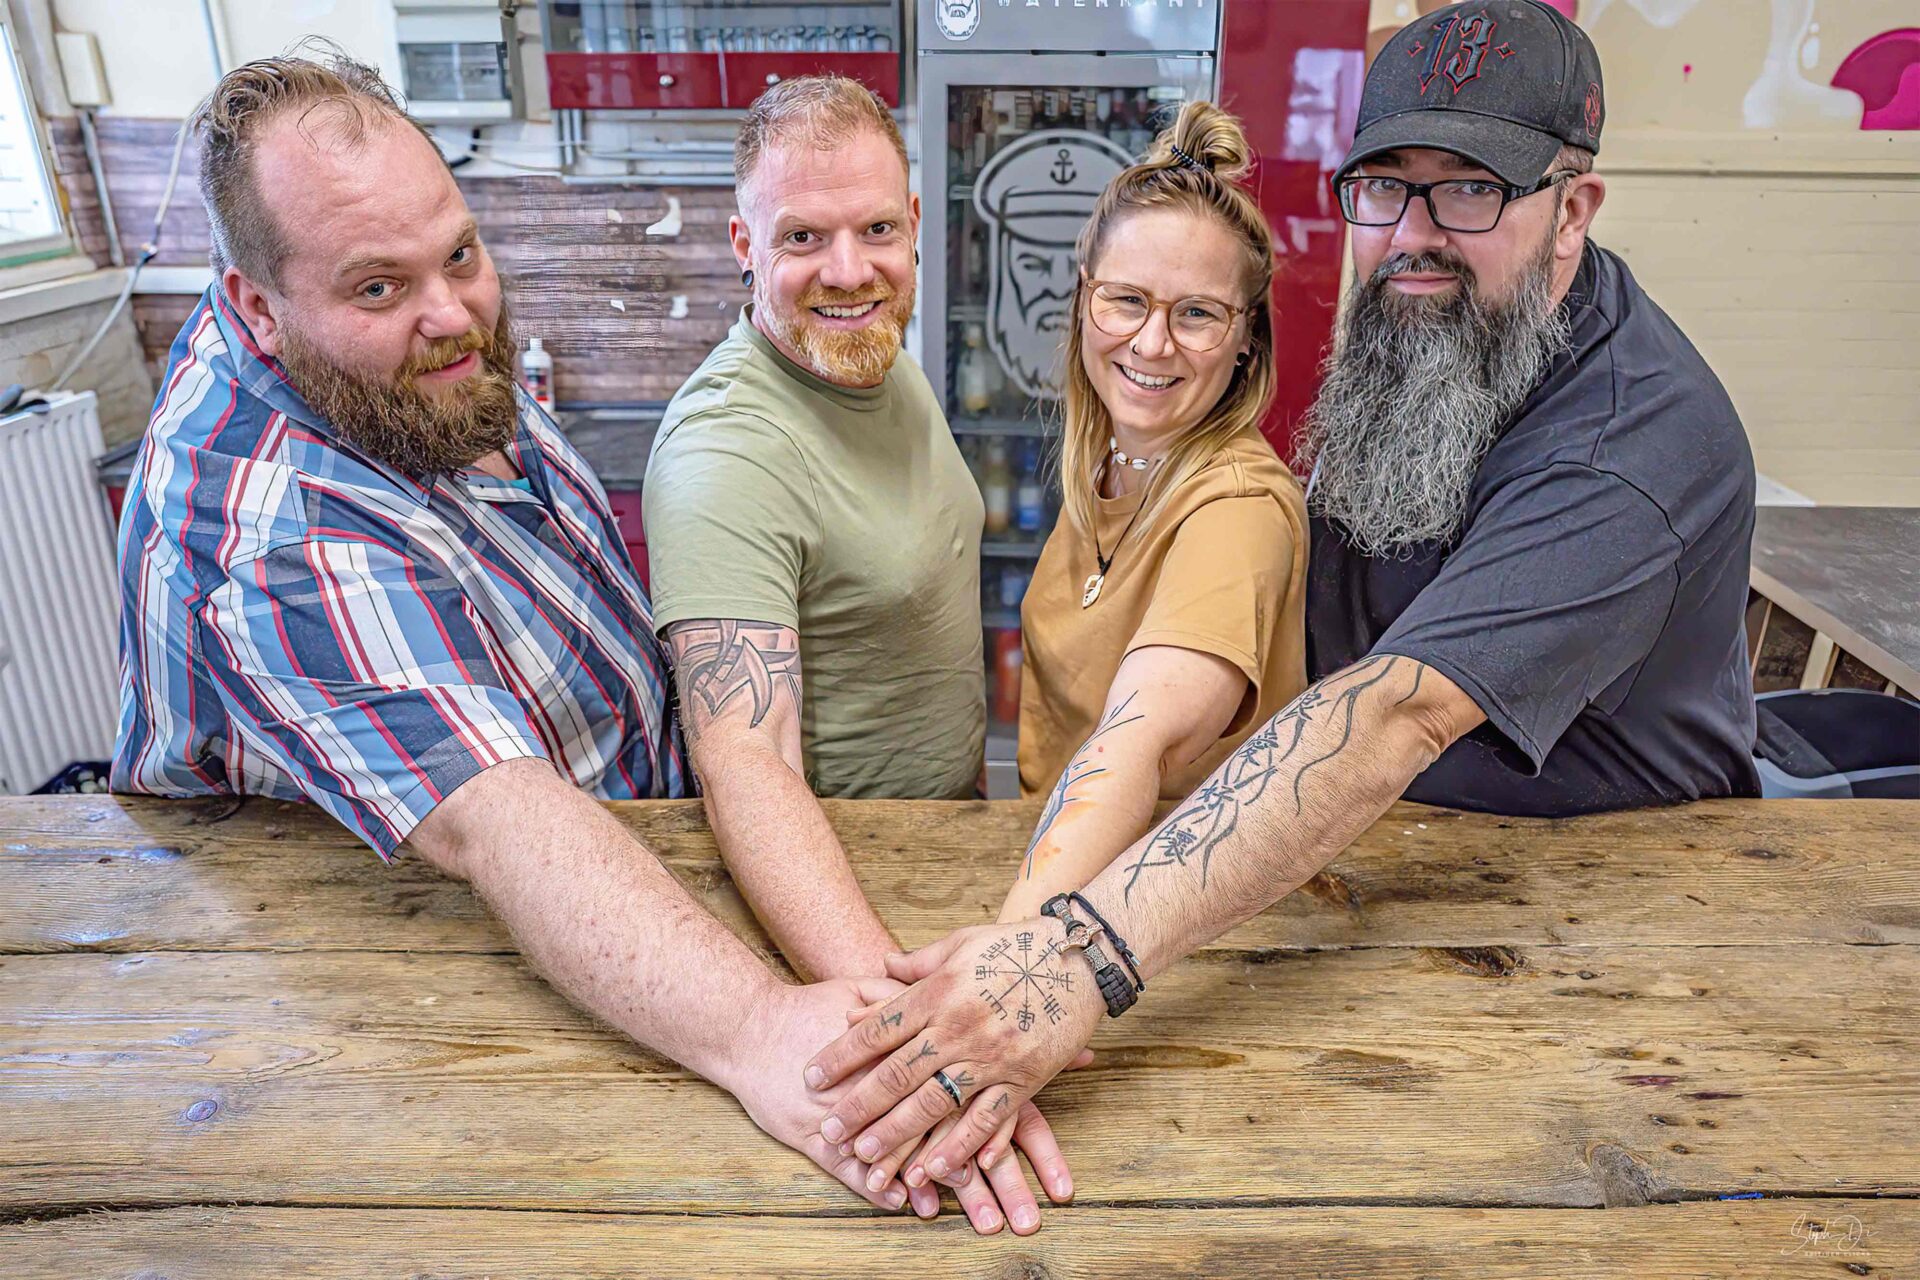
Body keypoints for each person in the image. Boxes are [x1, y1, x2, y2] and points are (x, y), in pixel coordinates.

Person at [797, 1, 1760, 1186]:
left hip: (1589, 919)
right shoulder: (1422, 332)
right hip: (1356, 867)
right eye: (1387, 188)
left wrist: (1059, 963)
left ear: (1575, 208)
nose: (1416, 234)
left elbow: (1394, 710)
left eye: (1471, 191)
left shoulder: (1634, 445)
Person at [109, 51, 923, 1216]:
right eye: (380, 289)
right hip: (403, 991)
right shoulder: (272, 535)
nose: (451, 314)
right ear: (257, 305)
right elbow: (507, 825)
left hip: (643, 864)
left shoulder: (390, 337)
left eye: (460, 253)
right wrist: (768, 1031)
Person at [641, 75, 1069, 1235]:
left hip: (951, 844)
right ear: (743, 242)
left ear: (916, 223)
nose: (847, 268)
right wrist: (910, 1029)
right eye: (802, 237)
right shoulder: (726, 450)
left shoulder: (883, 357)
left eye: (876, 228)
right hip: (839, 900)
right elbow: (746, 759)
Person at [1002, 100, 1307, 923]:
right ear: (1084, 301)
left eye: (1197, 313)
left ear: (1247, 339)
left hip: (1166, 927)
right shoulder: (1105, 459)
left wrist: (1006, 957)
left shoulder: (1236, 506)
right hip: (1071, 880)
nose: (1151, 343)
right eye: (1126, 300)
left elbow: (1142, 737)